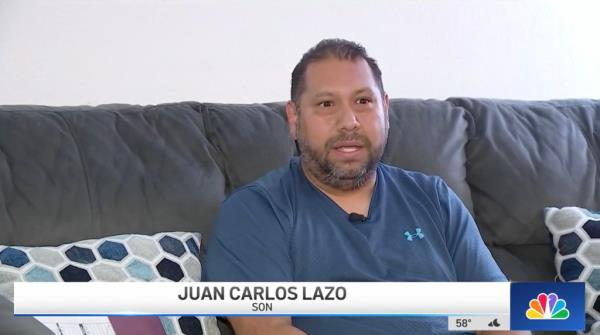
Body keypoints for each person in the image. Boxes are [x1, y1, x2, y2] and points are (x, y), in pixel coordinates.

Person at [204, 39, 525, 335]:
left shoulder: (434, 198)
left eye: (363, 101)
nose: (349, 122)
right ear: (294, 118)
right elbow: (267, 329)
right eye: (326, 104)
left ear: (385, 109)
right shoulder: (256, 211)